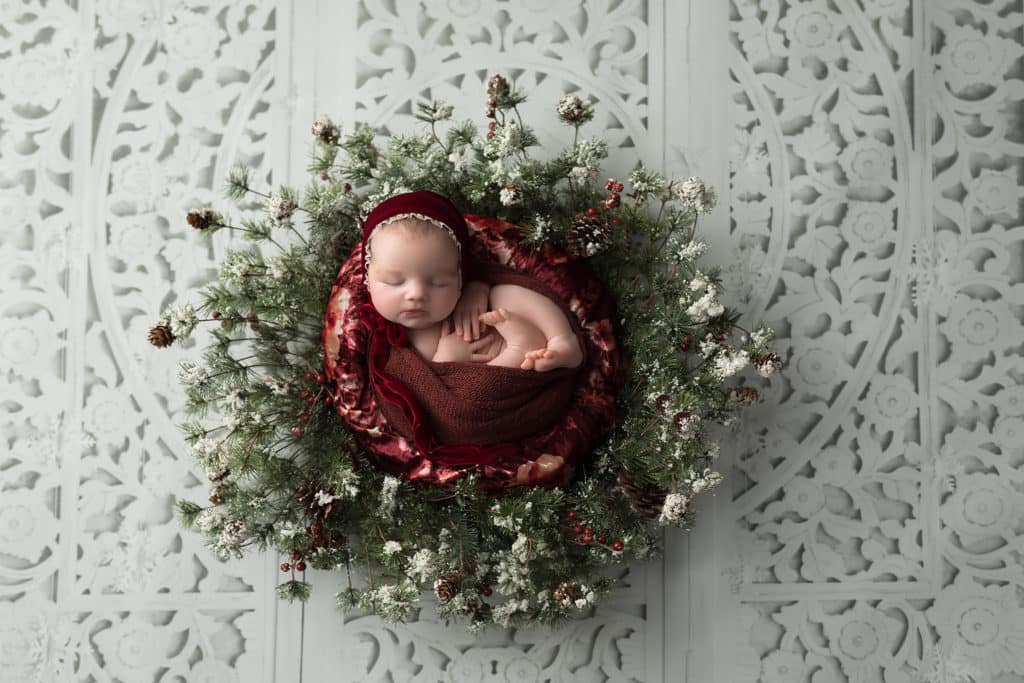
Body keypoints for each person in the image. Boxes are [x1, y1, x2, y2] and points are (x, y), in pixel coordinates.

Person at [362, 191, 583, 372]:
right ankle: (521, 346)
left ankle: (562, 338)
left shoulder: (470, 291)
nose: (416, 294)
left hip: (535, 343)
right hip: (510, 375)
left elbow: (490, 274)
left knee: (504, 292)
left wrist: (478, 287)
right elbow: (435, 401)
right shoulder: (388, 348)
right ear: (367, 281)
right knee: (477, 392)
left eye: (439, 282)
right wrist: (446, 362)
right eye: (393, 281)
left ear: (459, 277)